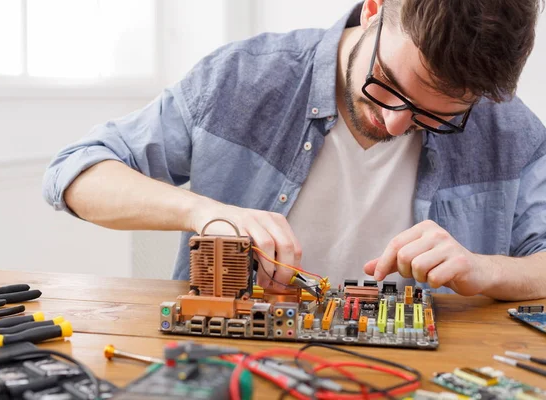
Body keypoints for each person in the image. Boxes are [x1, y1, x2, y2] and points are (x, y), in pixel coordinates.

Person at [43, 0, 546, 301]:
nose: (394, 121)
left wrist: (485, 269)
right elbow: (75, 172)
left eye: (437, 115)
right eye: (388, 85)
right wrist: (203, 211)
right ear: (374, 10)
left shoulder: (510, 131)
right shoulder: (241, 79)